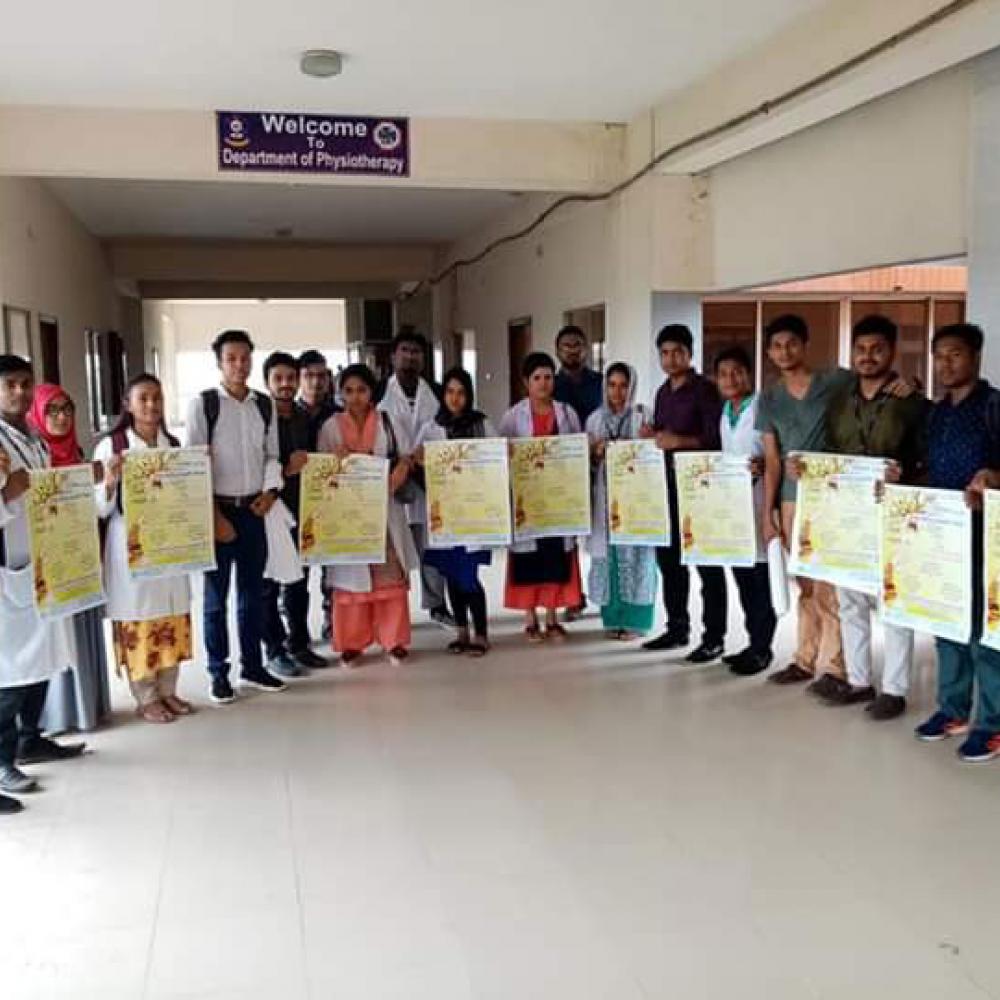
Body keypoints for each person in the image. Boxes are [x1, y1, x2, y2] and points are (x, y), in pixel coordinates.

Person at [819, 315, 930, 719]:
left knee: (893, 599)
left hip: (895, 511)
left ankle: (895, 689)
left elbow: (927, 456)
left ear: (892, 352)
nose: (868, 356)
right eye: (861, 349)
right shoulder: (840, 402)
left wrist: (908, 475)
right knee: (850, 597)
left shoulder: (911, 402)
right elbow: (830, 453)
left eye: (877, 349)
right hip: (849, 513)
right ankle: (859, 681)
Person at [186, 329, 286, 705]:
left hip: (254, 510)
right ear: (219, 363)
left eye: (245, 358)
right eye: (231, 358)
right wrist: (212, 515)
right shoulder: (205, 404)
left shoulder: (263, 404)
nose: (239, 365)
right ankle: (218, 673)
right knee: (215, 598)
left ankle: (254, 666)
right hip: (218, 511)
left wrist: (270, 491)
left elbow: (272, 454)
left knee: (253, 595)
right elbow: (194, 465)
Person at [915, 323, 1000, 762]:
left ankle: (992, 723)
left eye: (956, 355)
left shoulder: (993, 406)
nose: (946, 364)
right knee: (947, 621)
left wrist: (993, 478)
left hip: (988, 535)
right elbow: (929, 468)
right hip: (943, 534)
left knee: (985, 629)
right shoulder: (937, 412)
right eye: (940, 356)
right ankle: (952, 709)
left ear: (976, 357)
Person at [0, 356, 79, 814]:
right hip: (9, 566)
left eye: (25, 385)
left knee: (42, 660)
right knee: (10, 673)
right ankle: (3, 758)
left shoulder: (33, 438)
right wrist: (8, 495)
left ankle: (32, 739)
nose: (20, 393)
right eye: (10, 385)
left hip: (41, 563)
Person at [757, 314, 852, 692]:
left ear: (805, 345)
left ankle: (836, 668)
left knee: (831, 587)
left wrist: (904, 384)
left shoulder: (836, 382)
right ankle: (804, 658)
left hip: (831, 498)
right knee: (806, 586)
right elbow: (772, 460)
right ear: (769, 352)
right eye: (777, 346)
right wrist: (769, 513)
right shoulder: (770, 398)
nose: (784, 351)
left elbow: (873, 391)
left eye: (791, 343)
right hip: (792, 501)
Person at [95, 374, 194, 724]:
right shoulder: (113, 446)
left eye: (157, 398)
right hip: (130, 547)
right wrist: (109, 482)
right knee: (139, 620)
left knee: (171, 617)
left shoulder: (174, 443)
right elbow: (98, 510)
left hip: (169, 545)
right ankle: (146, 696)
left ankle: (168, 690)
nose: (152, 406)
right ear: (128, 404)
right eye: (143, 399)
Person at [23, 383, 111, 736]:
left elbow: (93, 505)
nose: (61, 417)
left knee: (81, 630)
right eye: (52, 411)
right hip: (50, 562)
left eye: (67, 409)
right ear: (39, 416)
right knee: (56, 638)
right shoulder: (34, 453)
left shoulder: (75, 452)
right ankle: (54, 717)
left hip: (81, 556)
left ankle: (87, 707)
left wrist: (104, 482)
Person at [318, 364, 418, 665]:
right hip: (348, 513)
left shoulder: (389, 420)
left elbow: (407, 456)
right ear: (340, 393)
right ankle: (351, 642)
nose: (355, 397)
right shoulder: (330, 427)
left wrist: (399, 473)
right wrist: (333, 463)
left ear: (372, 391)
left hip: (386, 508)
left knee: (388, 574)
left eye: (361, 390)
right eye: (348, 390)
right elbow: (320, 472)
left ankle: (394, 640)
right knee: (351, 576)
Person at [642, 324, 727, 663]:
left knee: (706, 565)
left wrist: (680, 442)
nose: (670, 358)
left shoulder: (706, 390)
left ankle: (714, 637)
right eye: (664, 352)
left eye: (677, 351)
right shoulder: (662, 392)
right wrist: (654, 434)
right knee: (671, 562)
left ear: (690, 353)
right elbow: (665, 436)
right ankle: (677, 628)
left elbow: (714, 439)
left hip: (699, 491)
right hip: (666, 489)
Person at [499, 352, 584, 642]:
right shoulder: (513, 416)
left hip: (559, 501)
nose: (544, 383)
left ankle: (553, 617)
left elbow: (578, 452)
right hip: (529, 501)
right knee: (529, 560)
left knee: (556, 558)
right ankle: (531, 617)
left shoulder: (567, 413)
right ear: (526, 382)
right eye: (537, 378)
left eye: (548, 377)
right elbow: (501, 456)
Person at [415, 367, 495, 656]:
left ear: (469, 395)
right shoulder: (432, 427)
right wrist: (419, 460)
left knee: (468, 575)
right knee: (450, 574)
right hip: (444, 514)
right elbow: (416, 462)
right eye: (449, 392)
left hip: (472, 513)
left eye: (461, 392)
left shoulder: (482, 424)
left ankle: (482, 633)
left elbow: (495, 461)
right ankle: (462, 631)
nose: (455, 398)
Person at [377, 330, 454, 629]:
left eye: (416, 352)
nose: (410, 356)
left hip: (427, 483)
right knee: (392, 552)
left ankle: (436, 605)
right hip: (391, 480)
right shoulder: (379, 391)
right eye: (405, 351)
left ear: (423, 358)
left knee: (431, 548)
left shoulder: (437, 392)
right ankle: (394, 615)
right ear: (393, 356)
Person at [261, 352, 327, 676]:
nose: (285, 384)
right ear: (268, 382)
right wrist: (287, 470)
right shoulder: (260, 418)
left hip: (303, 509)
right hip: (271, 512)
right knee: (271, 584)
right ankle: (274, 649)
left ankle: (299, 644)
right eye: (278, 378)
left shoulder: (305, 419)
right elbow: (256, 468)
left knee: (300, 582)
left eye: (291, 378)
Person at [714, 347, 777, 676]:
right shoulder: (725, 411)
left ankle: (763, 648)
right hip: (734, 508)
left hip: (759, 503)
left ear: (749, 374)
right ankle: (752, 643)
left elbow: (774, 452)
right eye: (723, 374)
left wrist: (763, 464)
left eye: (737, 372)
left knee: (760, 579)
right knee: (742, 578)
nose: (730, 379)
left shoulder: (761, 406)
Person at [585, 363, 657, 639]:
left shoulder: (643, 416)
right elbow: (586, 464)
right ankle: (613, 619)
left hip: (637, 499)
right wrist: (595, 452)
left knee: (637, 557)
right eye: (611, 385)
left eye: (623, 385)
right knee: (609, 557)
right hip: (605, 498)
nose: (617, 391)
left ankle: (637, 622)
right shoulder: (594, 420)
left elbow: (655, 452)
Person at [554, 324, 603, 622]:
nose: (573, 350)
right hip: (564, 470)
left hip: (599, 464)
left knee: (599, 531)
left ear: (587, 348)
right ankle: (574, 595)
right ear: (558, 350)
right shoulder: (552, 383)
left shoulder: (600, 382)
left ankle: (603, 592)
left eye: (578, 344)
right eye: (566, 345)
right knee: (567, 536)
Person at [297, 349, 340, 646]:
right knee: (295, 576)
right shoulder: (285, 414)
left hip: (332, 503)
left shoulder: (337, 416)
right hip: (295, 504)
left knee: (333, 570)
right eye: (309, 376)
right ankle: (296, 633)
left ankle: (332, 621)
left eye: (321, 376)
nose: (315, 382)